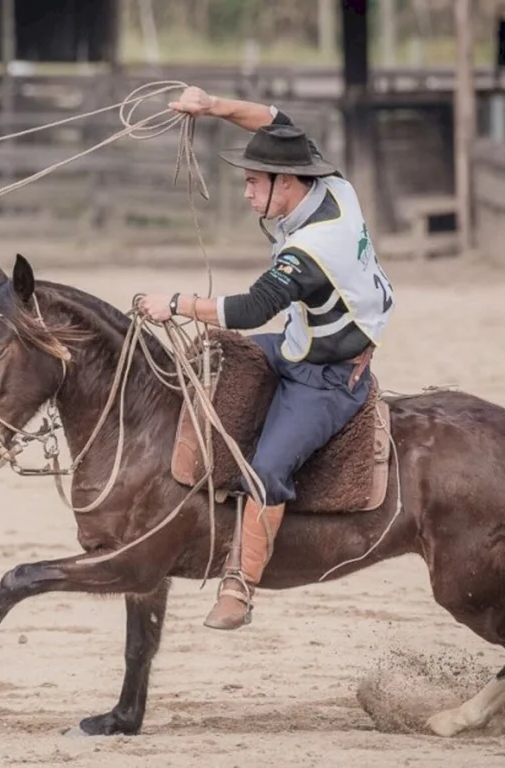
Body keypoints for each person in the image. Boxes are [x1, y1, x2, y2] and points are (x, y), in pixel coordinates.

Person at [136, 86, 396, 631]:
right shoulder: (332, 185)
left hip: (325, 376)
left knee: (268, 470)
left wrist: (176, 304)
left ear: (287, 182)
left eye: (254, 183)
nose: (248, 193)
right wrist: (210, 106)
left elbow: (252, 308)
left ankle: (239, 585)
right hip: (300, 340)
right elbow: (274, 118)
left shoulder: (312, 251)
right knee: (215, 359)